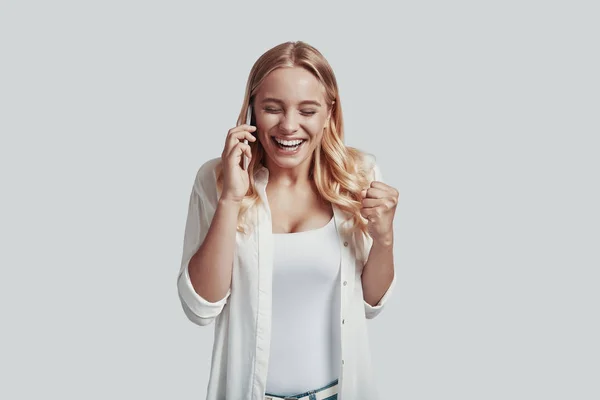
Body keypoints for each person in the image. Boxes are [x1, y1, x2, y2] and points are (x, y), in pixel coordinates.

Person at [176, 41, 399, 400]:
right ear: (251, 110)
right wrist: (232, 198)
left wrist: (385, 238)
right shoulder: (216, 180)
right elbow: (201, 307)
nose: (289, 126)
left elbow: (372, 303)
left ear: (329, 113)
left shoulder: (359, 176)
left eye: (307, 111)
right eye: (272, 109)